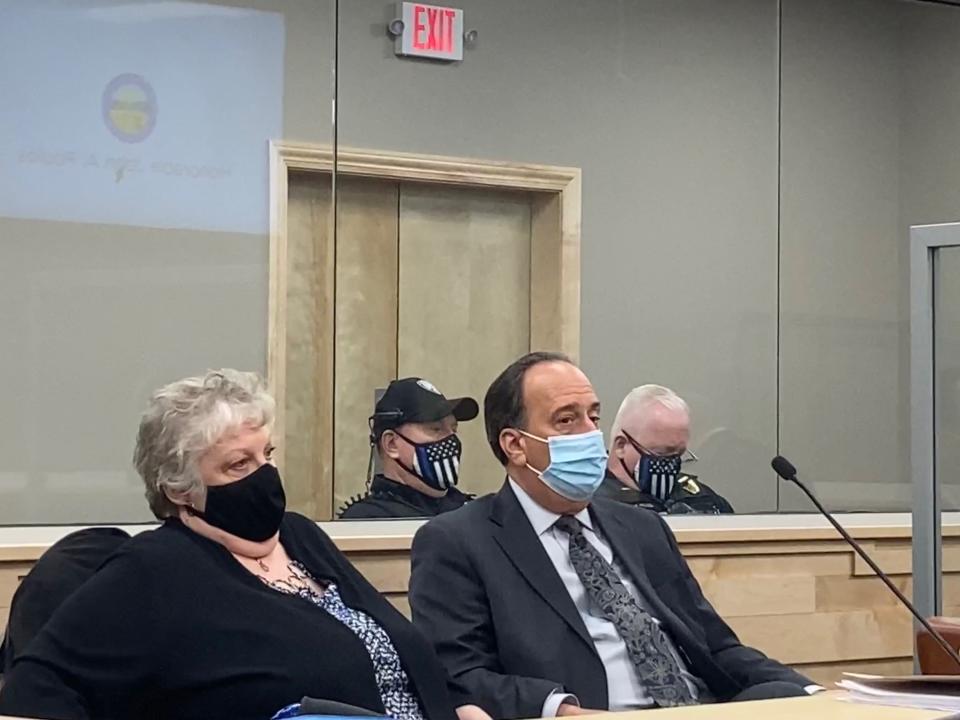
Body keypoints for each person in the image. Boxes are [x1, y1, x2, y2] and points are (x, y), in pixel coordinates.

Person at [0, 369, 474, 720]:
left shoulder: (299, 535)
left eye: (266, 455)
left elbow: (401, 650)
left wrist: (463, 705)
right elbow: (39, 688)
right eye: (237, 465)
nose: (265, 475)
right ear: (179, 489)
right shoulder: (154, 569)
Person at [409, 352, 814, 720]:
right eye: (567, 420)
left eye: (593, 417)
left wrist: (815, 693)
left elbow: (716, 647)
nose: (590, 434)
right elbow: (459, 673)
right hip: (590, 713)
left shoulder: (642, 528)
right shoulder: (458, 541)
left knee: (787, 698)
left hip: (697, 710)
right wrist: (561, 709)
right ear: (515, 445)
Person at [339, 377, 479, 519]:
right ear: (391, 444)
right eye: (436, 429)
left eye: (453, 430)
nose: (451, 439)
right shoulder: (367, 522)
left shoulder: (472, 512)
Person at [598, 385, 734, 514]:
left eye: (679, 454)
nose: (672, 464)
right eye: (662, 453)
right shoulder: (592, 505)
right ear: (621, 446)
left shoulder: (704, 500)